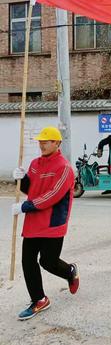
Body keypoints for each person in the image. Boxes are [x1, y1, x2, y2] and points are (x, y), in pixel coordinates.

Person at [11, 127, 78, 321]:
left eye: (47, 141)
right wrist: (21, 179)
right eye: (41, 141)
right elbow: (30, 189)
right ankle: (39, 299)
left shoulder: (64, 167)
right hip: (33, 221)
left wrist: (25, 206)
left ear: (57, 143)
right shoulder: (34, 163)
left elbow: (53, 196)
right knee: (27, 261)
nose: (42, 144)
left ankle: (69, 271)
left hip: (53, 222)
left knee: (47, 262)